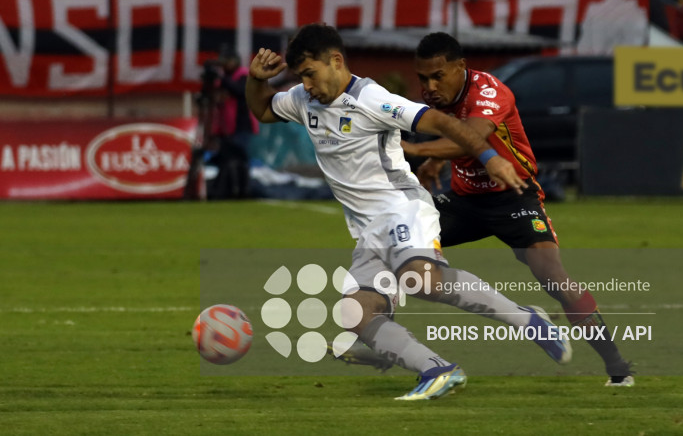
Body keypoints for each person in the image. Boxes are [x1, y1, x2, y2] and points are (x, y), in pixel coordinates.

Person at [245, 24, 571, 400]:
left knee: (423, 280)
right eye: (300, 76)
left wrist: (490, 158)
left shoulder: (373, 99)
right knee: (357, 313)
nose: (307, 84)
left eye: (310, 73)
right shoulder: (305, 99)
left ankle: (526, 320)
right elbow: (264, 110)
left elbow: (442, 122)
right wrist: (256, 80)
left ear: (335, 61)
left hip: (403, 208)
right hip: (368, 230)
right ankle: (438, 370)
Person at [399, 33, 634, 387]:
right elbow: (456, 133)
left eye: (437, 76)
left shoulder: (490, 92)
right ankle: (376, 337)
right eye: (422, 78)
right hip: (464, 202)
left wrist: (417, 152)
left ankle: (617, 365)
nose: (429, 86)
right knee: (397, 246)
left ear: (461, 67)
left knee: (553, 277)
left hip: (514, 197)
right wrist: (434, 163)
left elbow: (471, 137)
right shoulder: (444, 98)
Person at [209, 45, 259, 199]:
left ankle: (243, 189)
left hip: (241, 125)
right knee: (226, 159)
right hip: (225, 127)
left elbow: (240, 91)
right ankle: (227, 189)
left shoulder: (243, 75)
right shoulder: (224, 79)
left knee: (240, 159)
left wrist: (221, 79)